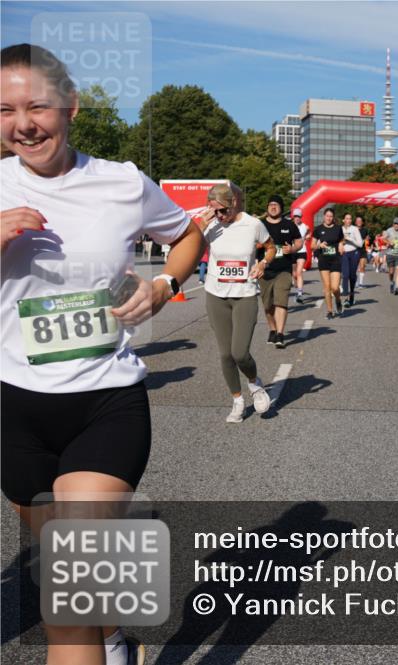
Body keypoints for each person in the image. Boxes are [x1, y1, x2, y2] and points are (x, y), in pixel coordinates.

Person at [0, 43, 203, 665]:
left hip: (104, 400)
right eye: (5, 111)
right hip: (13, 409)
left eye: (38, 106)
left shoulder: (122, 181)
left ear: (71, 106)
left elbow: (187, 234)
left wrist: (163, 286)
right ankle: (112, 637)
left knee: (66, 594)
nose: (23, 124)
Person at [194, 183, 275, 423]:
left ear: (234, 203)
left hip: (245, 294)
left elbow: (271, 247)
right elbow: (190, 249)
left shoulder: (253, 224)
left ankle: (255, 384)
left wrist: (263, 263)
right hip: (216, 294)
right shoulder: (211, 225)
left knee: (240, 352)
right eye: (214, 210)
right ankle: (237, 400)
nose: (219, 216)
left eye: (223, 210)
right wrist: (201, 226)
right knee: (225, 354)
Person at [257, 195, 302, 349]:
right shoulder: (260, 225)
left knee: (281, 301)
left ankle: (280, 334)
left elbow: (299, 241)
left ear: (281, 208)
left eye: (276, 204)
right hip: (265, 271)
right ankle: (273, 329)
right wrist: (257, 246)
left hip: (284, 269)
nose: (273, 207)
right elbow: (250, 242)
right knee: (268, 305)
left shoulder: (289, 225)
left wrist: (293, 248)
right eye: (271, 204)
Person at [312, 207, 345, 319]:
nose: (329, 218)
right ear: (324, 216)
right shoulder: (318, 229)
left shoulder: (338, 228)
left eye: (331, 216)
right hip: (324, 260)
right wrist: (319, 245)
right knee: (327, 287)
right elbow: (312, 245)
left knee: (335, 288)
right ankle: (330, 311)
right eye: (327, 216)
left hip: (335, 259)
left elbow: (342, 239)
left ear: (333, 217)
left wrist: (341, 244)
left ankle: (338, 299)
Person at [339, 212, 363, 306]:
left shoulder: (355, 229)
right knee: (345, 275)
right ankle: (346, 298)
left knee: (352, 276)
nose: (348, 220)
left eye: (350, 218)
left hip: (354, 253)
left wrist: (350, 239)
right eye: (347, 218)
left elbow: (360, 244)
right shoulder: (340, 229)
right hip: (344, 254)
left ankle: (352, 293)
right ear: (343, 220)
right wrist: (341, 242)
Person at [383, 217, 398, 295]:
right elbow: (383, 239)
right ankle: (391, 282)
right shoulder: (389, 230)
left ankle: (397, 288)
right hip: (390, 253)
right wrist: (389, 242)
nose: (396, 225)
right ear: (393, 224)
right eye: (395, 224)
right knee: (391, 272)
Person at [292, 207, 310, 304]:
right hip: (292, 251)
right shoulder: (290, 226)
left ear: (301, 217)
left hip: (302, 251)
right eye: (295, 216)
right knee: (294, 274)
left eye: (298, 216)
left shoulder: (305, 227)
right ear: (293, 217)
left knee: (299, 272)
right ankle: (297, 289)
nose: (297, 218)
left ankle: (300, 294)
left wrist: (307, 236)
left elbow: (309, 232)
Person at [355, 215, 369, 287]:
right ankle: (356, 281)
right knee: (354, 268)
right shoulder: (353, 229)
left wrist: (367, 239)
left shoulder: (365, 230)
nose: (359, 222)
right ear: (355, 222)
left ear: (362, 222)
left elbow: (366, 238)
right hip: (354, 250)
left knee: (362, 266)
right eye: (358, 221)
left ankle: (361, 283)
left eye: (360, 221)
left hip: (362, 250)